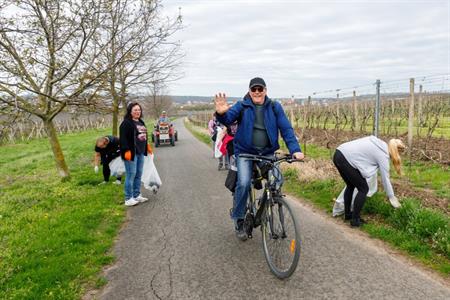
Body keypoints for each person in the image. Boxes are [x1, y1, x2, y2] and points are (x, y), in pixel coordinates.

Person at [215, 77, 304, 240]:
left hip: (267, 153)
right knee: (243, 183)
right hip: (245, 153)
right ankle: (239, 219)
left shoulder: (275, 107)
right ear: (249, 91)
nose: (257, 92)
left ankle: (267, 205)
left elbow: (286, 129)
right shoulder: (242, 106)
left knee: (277, 181)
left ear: (265, 90)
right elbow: (228, 119)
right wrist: (221, 114)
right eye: (254, 89)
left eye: (260, 89)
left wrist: (295, 150)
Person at [332, 136, 405, 227]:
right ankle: (355, 220)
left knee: (350, 186)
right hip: (346, 158)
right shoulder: (383, 155)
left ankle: (348, 215)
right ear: (396, 151)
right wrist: (391, 197)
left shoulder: (379, 144)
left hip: (338, 153)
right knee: (364, 189)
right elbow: (385, 179)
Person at [119, 102, 153, 207]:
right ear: (130, 111)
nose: (138, 112)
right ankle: (128, 198)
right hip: (131, 153)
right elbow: (123, 138)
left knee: (138, 174)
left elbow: (143, 135)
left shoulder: (141, 122)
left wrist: (147, 145)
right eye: (135, 110)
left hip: (140, 152)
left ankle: (136, 195)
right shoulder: (126, 123)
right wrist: (126, 150)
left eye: (139, 110)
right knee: (131, 175)